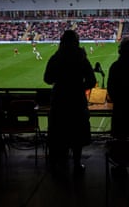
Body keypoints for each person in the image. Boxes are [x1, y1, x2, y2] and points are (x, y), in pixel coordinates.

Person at [43, 30, 96, 173]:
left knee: (59, 131)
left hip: (59, 99)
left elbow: (47, 79)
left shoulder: (56, 57)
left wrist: (61, 82)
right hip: (77, 100)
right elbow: (92, 81)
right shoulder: (81, 58)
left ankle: (60, 164)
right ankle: (77, 164)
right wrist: (78, 86)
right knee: (77, 133)